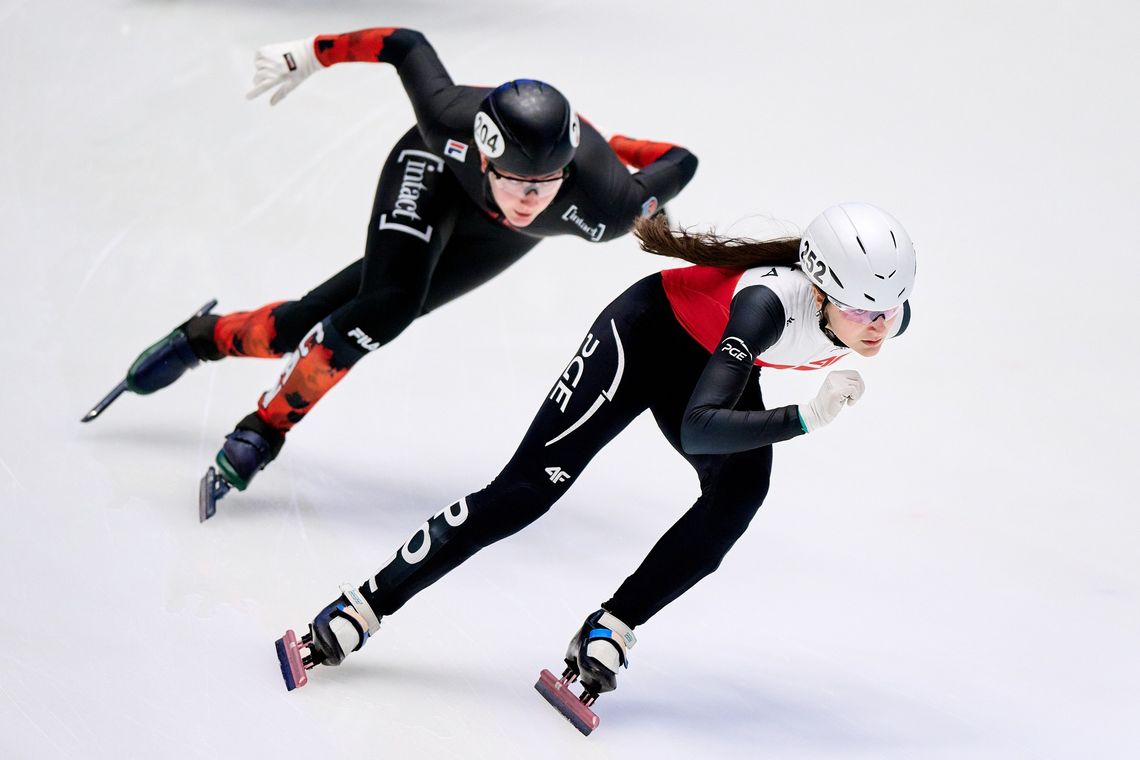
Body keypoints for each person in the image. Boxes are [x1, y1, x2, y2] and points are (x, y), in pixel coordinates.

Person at [273, 202, 917, 730]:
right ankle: (362, 607)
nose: (878, 326)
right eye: (861, 310)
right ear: (818, 287)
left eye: (890, 310)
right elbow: (699, 426)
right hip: (642, 338)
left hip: (708, 361)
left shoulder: (883, 308)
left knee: (739, 493)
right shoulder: (766, 305)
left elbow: (716, 409)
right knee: (525, 492)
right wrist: (806, 417)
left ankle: (610, 629)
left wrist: (859, 335)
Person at [81, 27, 697, 520]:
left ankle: (205, 336)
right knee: (387, 307)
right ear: (485, 155)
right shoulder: (449, 117)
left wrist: (613, 149)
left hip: (497, 238)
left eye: (547, 181)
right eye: (515, 179)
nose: (530, 198)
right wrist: (310, 54)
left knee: (308, 324)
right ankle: (264, 429)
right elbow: (405, 44)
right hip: (432, 173)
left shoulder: (608, 206)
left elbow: (681, 160)